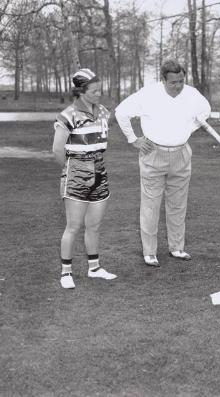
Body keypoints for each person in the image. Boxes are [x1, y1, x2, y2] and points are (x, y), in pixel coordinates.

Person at [115, 60, 211, 266]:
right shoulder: (148, 94)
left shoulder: (191, 94)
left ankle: (177, 248)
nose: (178, 86)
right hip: (153, 153)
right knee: (151, 205)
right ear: (163, 80)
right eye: (173, 82)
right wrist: (134, 139)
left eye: (181, 81)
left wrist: (189, 128)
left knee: (178, 205)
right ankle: (149, 252)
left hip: (181, 154)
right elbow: (121, 112)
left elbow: (206, 111)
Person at [52, 68, 117, 289]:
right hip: (76, 171)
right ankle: (66, 272)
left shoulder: (103, 112)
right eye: (94, 91)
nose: (99, 93)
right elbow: (57, 149)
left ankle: (95, 268)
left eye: (100, 90)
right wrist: (72, 171)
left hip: (100, 170)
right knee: (73, 225)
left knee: (94, 225)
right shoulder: (68, 115)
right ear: (80, 91)